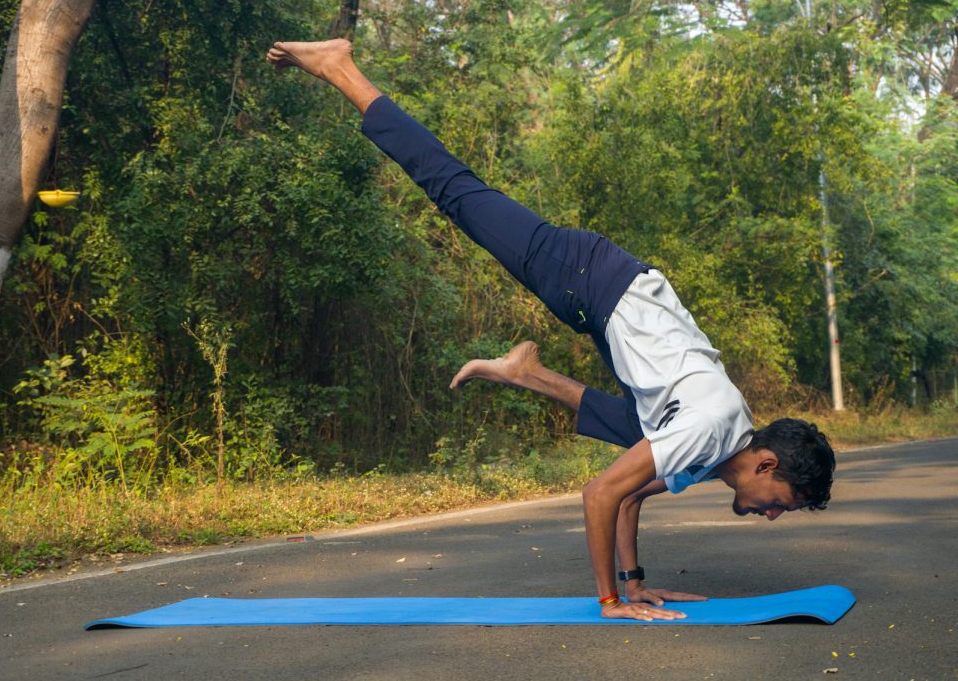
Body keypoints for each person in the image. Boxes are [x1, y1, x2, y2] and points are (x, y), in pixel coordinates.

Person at [266, 39, 836, 621]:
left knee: (630, 435)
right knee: (455, 191)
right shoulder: (713, 428)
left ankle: (528, 372)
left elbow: (634, 493)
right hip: (591, 278)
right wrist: (611, 600)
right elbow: (601, 494)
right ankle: (341, 68)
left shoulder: (718, 448)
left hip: (602, 293)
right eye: (781, 506)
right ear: (767, 466)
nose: (770, 516)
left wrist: (635, 580)